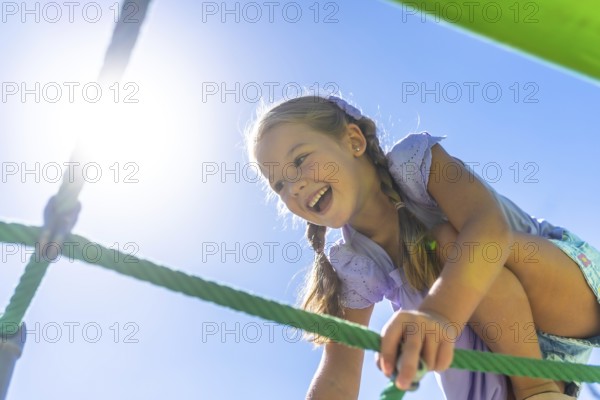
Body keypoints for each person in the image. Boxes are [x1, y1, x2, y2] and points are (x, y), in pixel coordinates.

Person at [246, 94, 600, 400]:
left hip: (562, 300)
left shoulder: (413, 166)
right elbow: (338, 373)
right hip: (509, 353)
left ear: (354, 141)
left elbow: (489, 229)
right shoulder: (354, 264)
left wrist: (438, 315)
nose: (293, 186)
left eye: (299, 160)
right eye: (279, 184)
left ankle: (534, 388)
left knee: (445, 243)